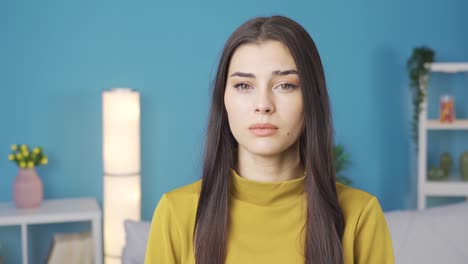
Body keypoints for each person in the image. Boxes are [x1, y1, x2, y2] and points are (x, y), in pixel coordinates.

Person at [145, 15, 394, 264]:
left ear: (311, 99)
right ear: (223, 99)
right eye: (244, 85)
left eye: (285, 85)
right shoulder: (175, 214)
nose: (263, 105)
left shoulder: (360, 216)